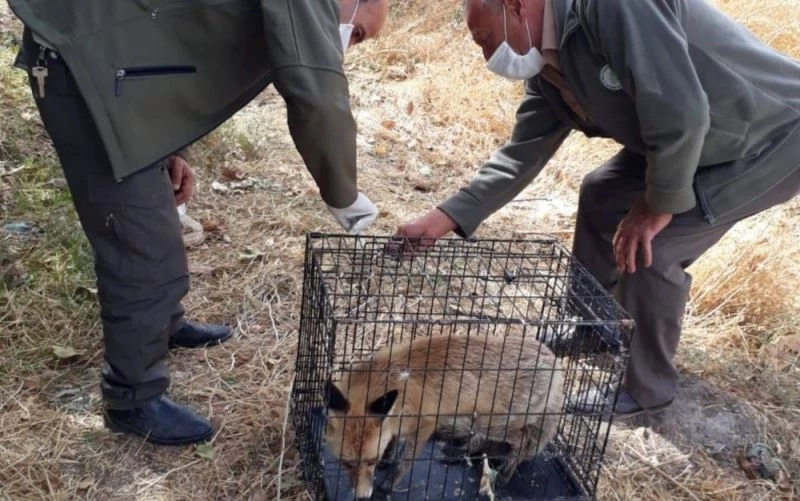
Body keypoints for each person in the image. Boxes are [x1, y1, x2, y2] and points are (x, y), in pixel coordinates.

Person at [7, 0, 389, 445]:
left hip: (118, 69)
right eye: (357, 33)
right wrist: (343, 194)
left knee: (156, 213)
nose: (348, 45)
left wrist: (172, 150)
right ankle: (132, 397)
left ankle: (161, 326)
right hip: (85, 68)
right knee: (141, 243)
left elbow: (178, 34)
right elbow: (315, 88)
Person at [397, 0, 800, 417]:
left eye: (485, 39)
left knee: (655, 248)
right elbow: (523, 152)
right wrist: (446, 217)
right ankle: (593, 326)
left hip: (770, 137)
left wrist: (656, 205)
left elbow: (680, 111)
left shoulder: (612, 7)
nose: (488, 57)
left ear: (514, 6)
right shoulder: (548, 68)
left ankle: (647, 391)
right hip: (695, 138)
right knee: (601, 194)